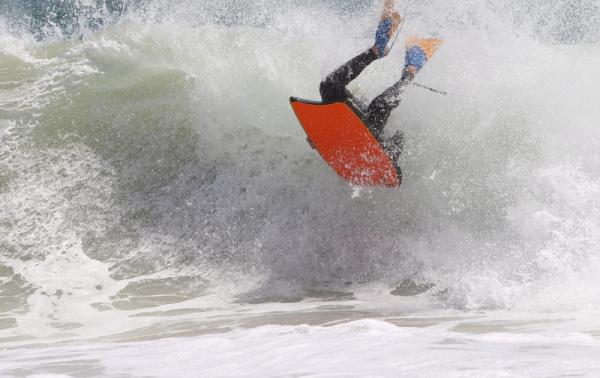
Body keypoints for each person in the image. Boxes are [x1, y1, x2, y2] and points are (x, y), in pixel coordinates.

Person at [318, 0, 442, 160]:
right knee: (328, 86)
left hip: (367, 127)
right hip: (348, 117)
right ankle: (378, 51)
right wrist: (317, 130)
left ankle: (402, 72)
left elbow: (399, 137)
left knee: (376, 105)